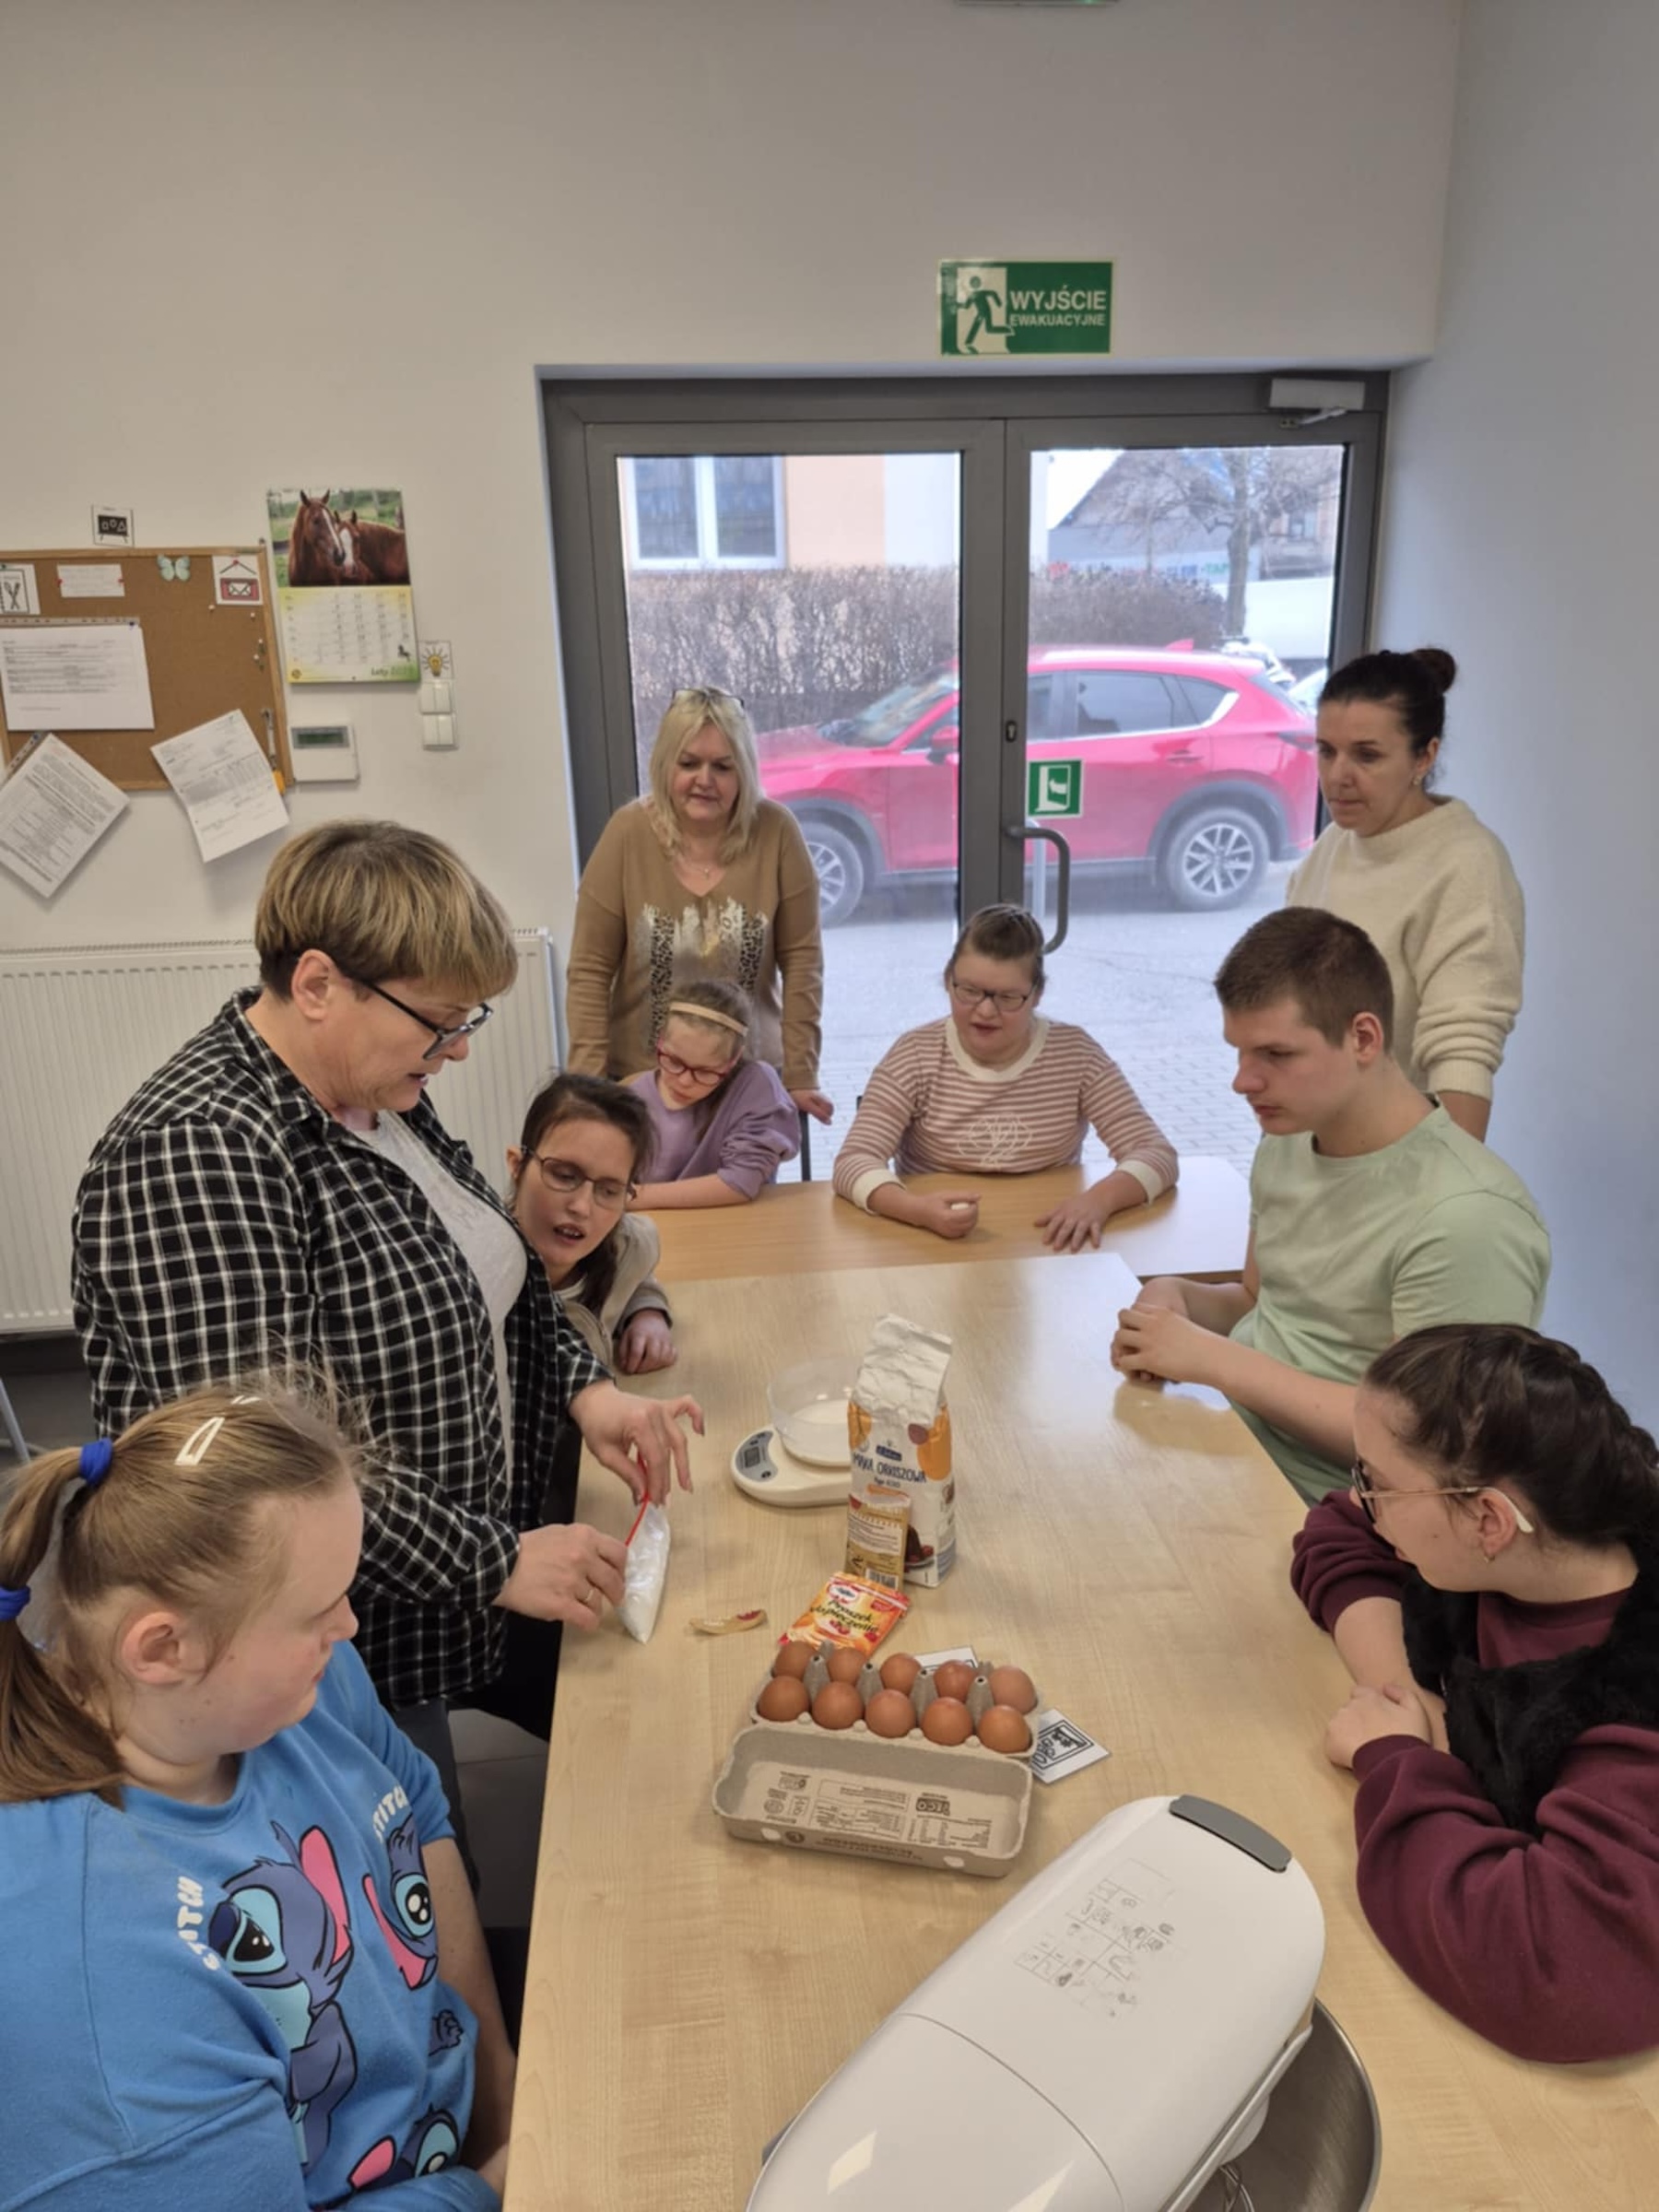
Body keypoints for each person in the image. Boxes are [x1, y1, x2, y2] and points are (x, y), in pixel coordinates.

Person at [73, 821, 702, 1829]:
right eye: (438, 1023)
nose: (457, 1049)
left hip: (438, 1575)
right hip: (315, 1645)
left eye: (467, 1021)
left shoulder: (377, 1095)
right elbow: (268, 1475)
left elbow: (495, 1277)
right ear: (320, 984)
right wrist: (496, 1561)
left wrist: (592, 1393)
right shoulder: (198, 1149)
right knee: (399, 1866)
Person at [1, 1384, 515, 2207]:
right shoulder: (103, 1981)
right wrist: (495, 2185)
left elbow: (412, 1814)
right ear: (162, 1649)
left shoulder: (290, 1690)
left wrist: (507, 2098)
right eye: (317, 1611)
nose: (348, 1627)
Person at [1293, 1324, 1659, 2064]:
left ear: (1488, 1519)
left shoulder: (1630, 1699)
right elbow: (1337, 1531)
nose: (1363, 1499)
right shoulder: (1517, 1554)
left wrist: (1397, 1758)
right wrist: (1397, 1691)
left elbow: (1559, 1976)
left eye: (1379, 1484)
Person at [1111, 908, 1549, 1500]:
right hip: (1232, 1442)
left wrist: (1212, 1360)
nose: (1242, 1081)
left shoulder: (1469, 1216)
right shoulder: (1287, 1142)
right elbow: (1260, 1304)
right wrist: (1178, 1298)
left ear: (1363, 1038)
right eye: (1239, 1052)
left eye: (1276, 1054)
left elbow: (1426, 1451)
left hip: (1334, 1508)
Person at [832, 904, 1177, 1251]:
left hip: (1048, 1240)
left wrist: (1098, 1200)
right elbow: (854, 1161)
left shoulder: (1076, 1054)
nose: (985, 1011)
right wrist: (916, 1210)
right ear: (948, 980)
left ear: (1037, 994)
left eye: (1008, 998)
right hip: (931, 1239)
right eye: (969, 991)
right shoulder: (915, 1054)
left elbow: (1155, 1153)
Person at [564, 685, 832, 1124]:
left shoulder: (777, 832)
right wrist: (590, 1086)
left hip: (748, 1085)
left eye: (722, 767)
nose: (704, 780)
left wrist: (802, 1074)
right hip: (641, 1087)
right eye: (689, 763)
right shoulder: (627, 834)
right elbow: (590, 970)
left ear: (743, 771)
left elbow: (804, 963)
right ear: (665, 764)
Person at [1287, 646, 1524, 1142]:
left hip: (1394, 1159)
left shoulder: (1467, 865)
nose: (1338, 776)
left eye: (1367, 755)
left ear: (1425, 756)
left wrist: (1445, 1181)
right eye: (1327, 751)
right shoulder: (1333, 846)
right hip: (1313, 1148)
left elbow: (1462, 1053)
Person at [508, 1071, 677, 1376]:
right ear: (517, 1166)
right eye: (564, 1176)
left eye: (609, 1191)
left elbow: (637, 1275)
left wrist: (648, 1312)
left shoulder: (630, 1244)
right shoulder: (475, 1276)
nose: (582, 1207)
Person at [627, 978, 801, 1210]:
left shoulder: (755, 1086)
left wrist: (634, 1197)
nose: (684, 1081)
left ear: (734, 1059)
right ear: (660, 1041)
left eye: (705, 1071)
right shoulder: (633, 1094)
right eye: (675, 1061)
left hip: (738, 1224)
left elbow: (740, 1182)